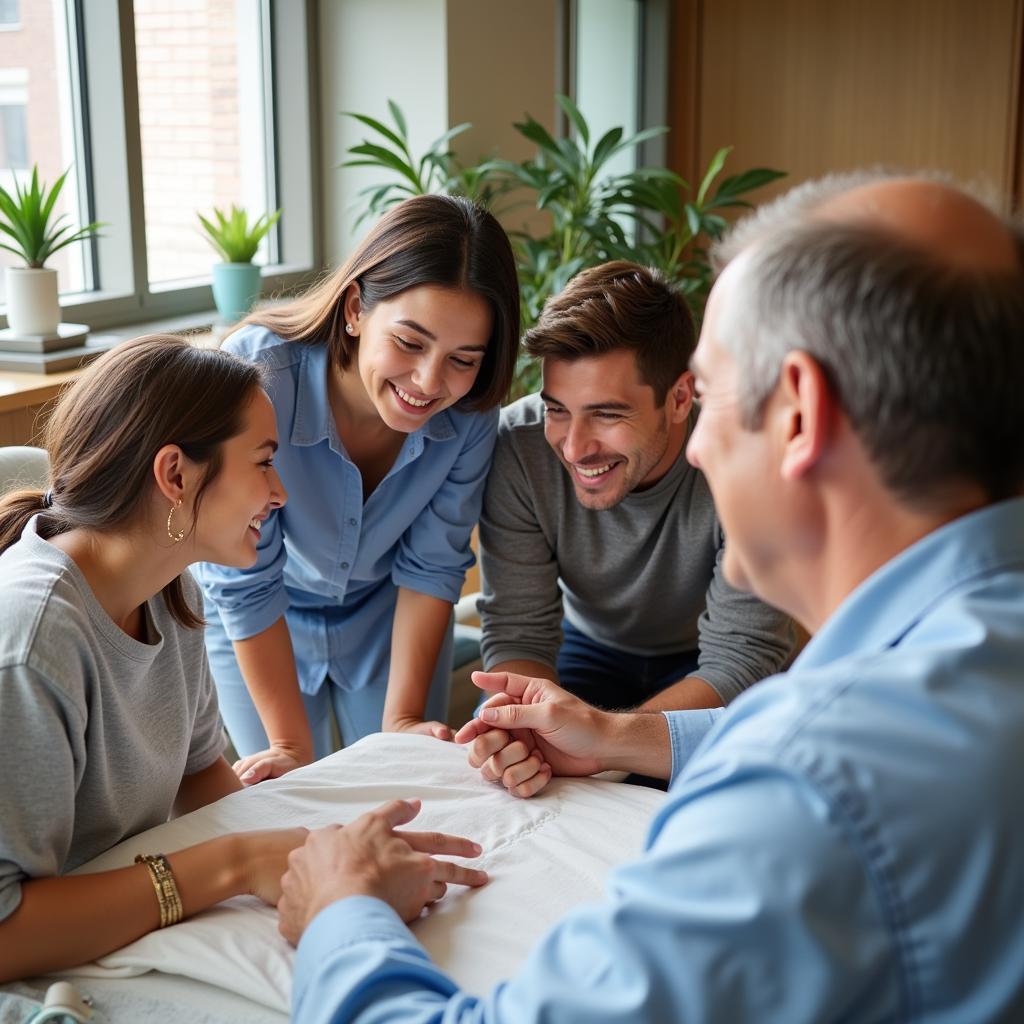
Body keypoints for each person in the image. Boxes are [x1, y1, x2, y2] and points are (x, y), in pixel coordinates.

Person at [276, 171, 1024, 1022]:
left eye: (713, 395)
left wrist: (343, 914)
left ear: (798, 419)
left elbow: (805, 770)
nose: (699, 446)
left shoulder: (803, 786)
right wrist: (607, 737)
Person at [0, 335, 311, 982]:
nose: (278, 492)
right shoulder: (32, 643)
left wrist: (299, 845)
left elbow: (200, 779)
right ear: (175, 475)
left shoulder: (171, 594)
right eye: (262, 462)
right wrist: (235, 864)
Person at [196, 194, 519, 784]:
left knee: (399, 784)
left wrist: (401, 722)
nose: (428, 382)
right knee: (291, 795)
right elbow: (246, 583)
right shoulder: (257, 375)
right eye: (410, 342)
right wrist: (290, 747)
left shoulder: (471, 415)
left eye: (463, 359)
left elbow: (432, 565)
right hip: (263, 612)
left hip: (387, 610)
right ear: (354, 309)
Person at [476, 262, 792, 754]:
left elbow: (740, 661)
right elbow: (520, 637)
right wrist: (525, 731)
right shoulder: (518, 449)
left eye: (606, 414)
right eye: (557, 409)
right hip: (586, 647)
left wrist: (605, 745)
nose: (575, 448)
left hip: (708, 667)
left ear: (681, 398)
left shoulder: (747, 458)